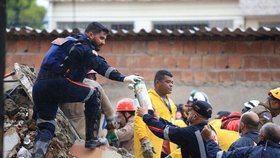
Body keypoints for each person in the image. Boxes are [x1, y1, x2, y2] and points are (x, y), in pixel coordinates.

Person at [32, 22, 143, 157]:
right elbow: (101, 65)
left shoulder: (69, 42)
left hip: (39, 86)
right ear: (90, 35)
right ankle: (92, 140)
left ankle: (37, 154)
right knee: (93, 94)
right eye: (101, 38)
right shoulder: (83, 47)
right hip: (57, 84)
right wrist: (123, 78)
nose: (103, 42)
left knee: (46, 127)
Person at [137, 100, 216, 158]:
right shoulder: (207, 130)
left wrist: (145, 116)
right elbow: (177, 130)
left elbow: (163, 131)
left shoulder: (191, 132)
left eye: (190, 111)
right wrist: (158, 119)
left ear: (195, 116)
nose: (188, 112)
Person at [134, 70, 179, 158]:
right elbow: (139, 119)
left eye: (172, 82)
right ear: (157, 82)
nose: (171, 85)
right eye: (168, 82)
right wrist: (144, 140)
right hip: (151, 146)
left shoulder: (172, 104)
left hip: (168, 151)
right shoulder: (147, 98)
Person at [60, 70, 114, 139]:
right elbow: (110, 114)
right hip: (93, 138)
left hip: (70, 138)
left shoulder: (64, 88)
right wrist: (111, 128)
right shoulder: (96, 86)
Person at [201, 122, 280, 158]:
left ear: (262, 137)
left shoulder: (250, 151)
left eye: (260, 134)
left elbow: (219, 156)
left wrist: (210, 140)